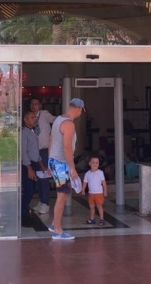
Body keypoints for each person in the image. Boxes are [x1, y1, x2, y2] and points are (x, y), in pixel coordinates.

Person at [48, 98, 85, 240]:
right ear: (79, 109)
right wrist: (72, 168)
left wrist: (49, 161)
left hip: (55, 161)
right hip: (61, 163)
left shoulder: (58, 119)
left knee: (64, 194)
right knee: (62, 195)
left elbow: (51, 140)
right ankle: (57, 230)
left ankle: (54, 224)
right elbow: (67, 148)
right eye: (81, 110)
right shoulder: (69, 124)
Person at [20, 110, 50, 227]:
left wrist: (41, 165)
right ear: (25, 120)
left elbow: (35, 151)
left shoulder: (33, 132)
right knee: (28, 190)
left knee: (32, 189)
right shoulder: (24, 133)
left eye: (35, 117)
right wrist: (29, 168)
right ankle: (23, 216)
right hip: (28, 165)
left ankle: (24, 214)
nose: (35, 119)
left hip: (35, 163)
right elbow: (23, 153)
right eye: (32, 118)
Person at [29, 97, 56, 214]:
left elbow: (52, 119)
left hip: (44, 150)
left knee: (44, 177)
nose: (34, 106)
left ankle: (45, 203)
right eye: (32, 104)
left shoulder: (44, 114)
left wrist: (62, 118)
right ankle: (41, 200)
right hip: (34, 151)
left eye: (36, 104)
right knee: (38, 178)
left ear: (40, 105)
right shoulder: (30, 117)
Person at [82, 156, 108, 226]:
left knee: (99, 206)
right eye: (93, 162)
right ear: (89, 163)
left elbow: (104, 182)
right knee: (91, 207)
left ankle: (102, 219)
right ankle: (92, 219)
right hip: (91, 193)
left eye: (97, 163)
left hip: (99, 193)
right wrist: (83, 189)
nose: (95, 164)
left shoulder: (100, 172)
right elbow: (85, 182)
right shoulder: (87, 173)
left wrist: (105, 191)